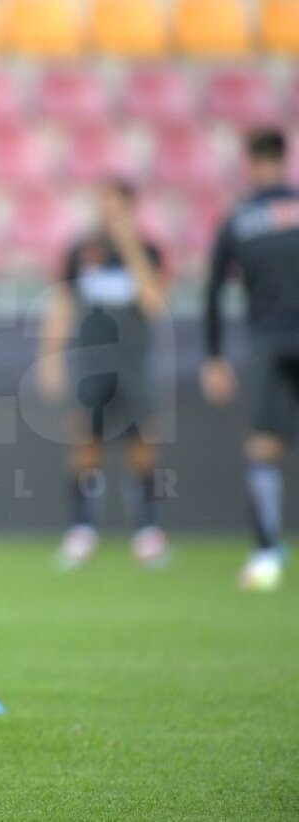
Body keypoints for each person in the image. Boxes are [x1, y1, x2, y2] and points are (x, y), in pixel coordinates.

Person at [38, 180, 171, 569]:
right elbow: (62, 304)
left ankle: (148, 533)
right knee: (85, 445)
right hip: (90, 364)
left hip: (133, 362)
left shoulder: (149, 251)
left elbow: (154, 303)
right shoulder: (80, 252)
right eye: (104, 205)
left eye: (117, 206)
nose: (109, 213)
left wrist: (129, 247)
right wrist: (49, 358)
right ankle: (82, 531)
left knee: (143, 446)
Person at [203, 128, 299, 592]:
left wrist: (215, 357)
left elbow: (212, 289)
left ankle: (265, 555)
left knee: (263, 447)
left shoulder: (240, 219)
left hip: (269, 341)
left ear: (251, 162)